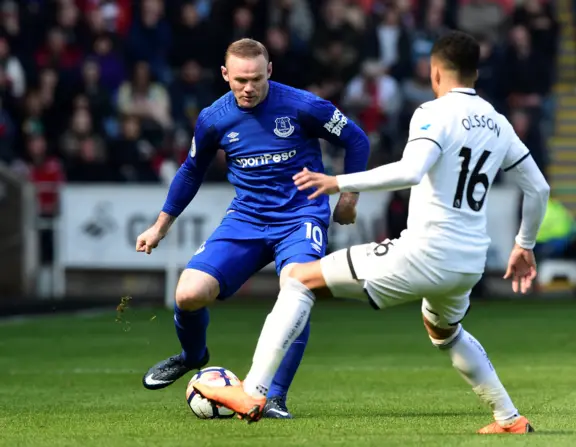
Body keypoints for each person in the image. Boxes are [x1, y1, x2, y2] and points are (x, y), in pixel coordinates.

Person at [191, 31, 551, 434]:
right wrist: (524, 244)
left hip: (425, 253)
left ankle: (254, 391)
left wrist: (338, 182)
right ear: (476, 73)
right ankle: (508, 417)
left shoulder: (432, 113)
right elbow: (539, 188)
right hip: (469, 263)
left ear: (435, 73)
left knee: (297, 279)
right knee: (444, 332)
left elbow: (410, 171)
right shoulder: (498, 123)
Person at [136, 38, 370, 419]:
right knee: (188, 294)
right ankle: (192, 355)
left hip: (300, 216)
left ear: (269, 72)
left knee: (298, 289)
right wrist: (160, 226)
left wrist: (348, 195)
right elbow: (191, 170)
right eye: (241, 79)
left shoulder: (303, 105)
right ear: (226, 75)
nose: (249, 88)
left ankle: (274, 397)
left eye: (257, 79)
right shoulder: (214, 117)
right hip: (246, 217)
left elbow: (356, 138)